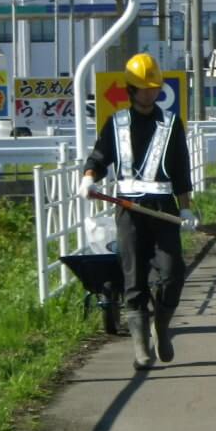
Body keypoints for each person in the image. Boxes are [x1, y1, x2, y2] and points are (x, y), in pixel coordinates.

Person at [80, 53, 196, 371]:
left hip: (163, 210)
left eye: (154, 87)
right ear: (131, 89)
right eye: (144, 88)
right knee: (133, 281)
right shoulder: (115, 123)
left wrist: (186, 210)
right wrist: (89, 178)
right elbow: (100, 156)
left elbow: (181, 171)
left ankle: (161, 325)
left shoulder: (171, 123)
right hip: (128, 211)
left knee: (172, 274)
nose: (150, 93)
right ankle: (140, 347)